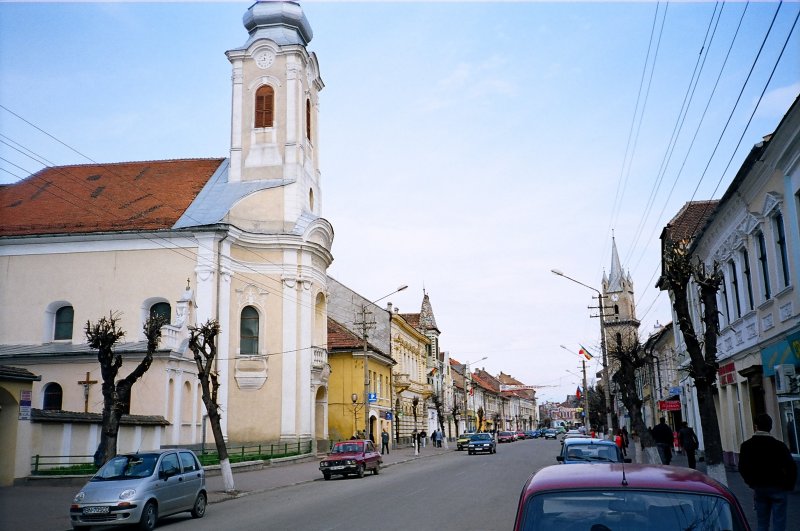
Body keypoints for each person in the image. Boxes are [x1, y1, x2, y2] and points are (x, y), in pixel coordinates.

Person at [739, 413, 797, 531]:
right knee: (779, 522)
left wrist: (751, 483)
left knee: (762, 523)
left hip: (759, 488)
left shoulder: (746, 446)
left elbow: (742, 468)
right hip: (779, 487)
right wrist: (788, 485)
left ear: (756, 427)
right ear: (770, 427)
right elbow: (792, 467)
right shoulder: (779, 445)